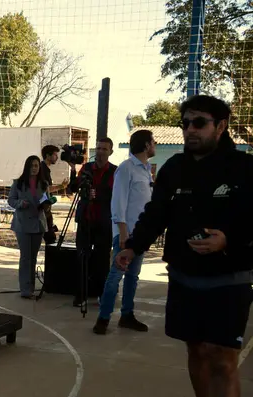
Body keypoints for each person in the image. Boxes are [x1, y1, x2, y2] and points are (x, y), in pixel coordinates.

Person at [115, 95, 253, 397]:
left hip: (229, 278)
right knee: (197, 350)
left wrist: (229, 239)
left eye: (199, 122)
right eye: (185, 123)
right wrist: (132, 246)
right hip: (183, 276)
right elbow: (156, 214)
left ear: (221, 126)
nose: (190, 129)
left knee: (223, 356)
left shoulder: (245, 168)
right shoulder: (174, 167)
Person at [93, 129, 156, 335]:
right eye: (153, 142)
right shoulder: (126, 168)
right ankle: (103, 317)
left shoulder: (145, 169)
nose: (154, 145)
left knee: (133, 277)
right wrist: (123, 233)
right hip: (126, 233)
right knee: (116, 275)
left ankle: (127, 315)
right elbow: (118, 202)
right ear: (146, 145)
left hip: (140, 234)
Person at [67, 137, 116, 306]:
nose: (101, 152)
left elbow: (116, 195)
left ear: (110, 152)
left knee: (102, 260)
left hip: (104, 221)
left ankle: (101, 293)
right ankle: (81, 294)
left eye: (104, 149)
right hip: (86, 219)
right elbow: (73, 188)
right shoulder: (87, 168)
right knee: (82, 258)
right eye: (98, 148)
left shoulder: (115, 171)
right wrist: (73, 170)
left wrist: (98, 195)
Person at [7, 155, 50, 299]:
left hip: (38, 224)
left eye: (36, 166)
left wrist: (47, 206)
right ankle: (25, 288)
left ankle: (31, 286)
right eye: (31, 165)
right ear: (27, 167)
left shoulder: (44, 184)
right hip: (23, 224)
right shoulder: (18, 183)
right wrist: (20, 204)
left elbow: (47, 203)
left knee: (34, 257)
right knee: (25, 257)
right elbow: (11, 200)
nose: (34, 168)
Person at [40, 145, 60, 244]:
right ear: (48, 156)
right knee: (50, 237)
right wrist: (61, 187)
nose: (57, 157)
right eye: (55, 155)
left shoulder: (46, 169)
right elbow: (45, 189)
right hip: (43, 209)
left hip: (46, 208)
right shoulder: (42, 168)